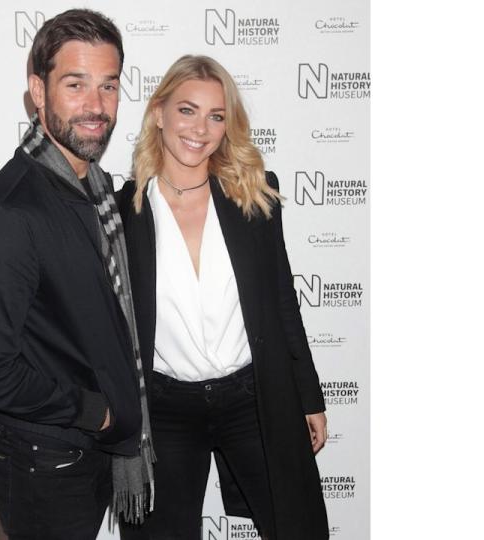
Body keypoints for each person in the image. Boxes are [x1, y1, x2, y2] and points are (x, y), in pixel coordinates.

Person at [0, 9, 154, 539]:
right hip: (43, 462)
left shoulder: (97, 194)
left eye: (108, 86)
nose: (96, 106)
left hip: (82, 452)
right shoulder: (12, 211)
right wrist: (96, 411)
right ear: (38, 92)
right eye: (76, 84)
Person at [117, 55, 330, 540]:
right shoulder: (124, 212)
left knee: (299, 527)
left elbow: (281, 300)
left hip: (251, 397)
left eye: (216, 116)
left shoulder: (253, 195)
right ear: (159, 113)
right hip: (165, 409)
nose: (201, 128)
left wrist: (308, 395)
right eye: (187, 111)